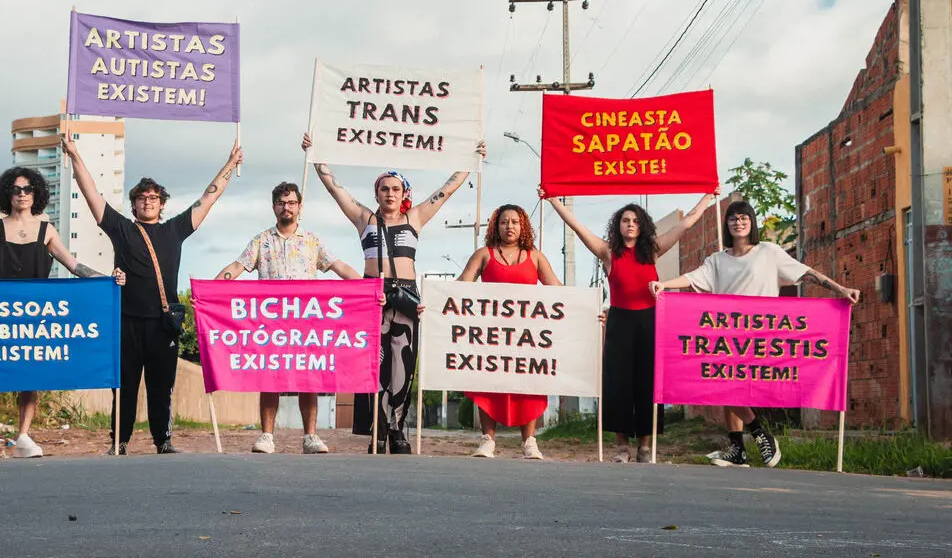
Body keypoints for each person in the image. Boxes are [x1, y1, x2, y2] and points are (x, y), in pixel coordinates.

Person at [0, 167, 124, 460]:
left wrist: (108, 279)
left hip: (36, 315)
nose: (21, 194)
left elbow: (73, 265)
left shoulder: (47, 229)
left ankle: (24, 437)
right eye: (16, 189)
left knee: (32, 373)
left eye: (27, 189)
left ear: (36, 194)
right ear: (7, 193)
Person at [303, 132, 485, 455]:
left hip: (406, 297)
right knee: (374, 365)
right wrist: (315, 155)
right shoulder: (365, 219)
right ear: (376, 192)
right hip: (372, 294)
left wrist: (471, 160)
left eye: (395, 189)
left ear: (404, 194)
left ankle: (398, 428)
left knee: (403, 364)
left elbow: (445, 192)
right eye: (384, 189)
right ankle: (377, 429)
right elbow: (335, 189)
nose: (389, 194)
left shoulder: (414, 218)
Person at [66, 137, 242, 456]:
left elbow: (207, 200)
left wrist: (230, 165)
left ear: (162, 204)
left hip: (163, 324)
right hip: (126, 321)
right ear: (133, 205)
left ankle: (163, 441)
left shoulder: (174, 230)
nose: (148, 201)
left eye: (154, 197)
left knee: (162, 388)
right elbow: (91, 193)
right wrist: (75, 155)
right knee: (124, 388)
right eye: (142, 197)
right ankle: (119, 442)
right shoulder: (121, 229)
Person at [651, 199, 860, 468]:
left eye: (744, 217)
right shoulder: (717, 260)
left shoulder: (769, 252)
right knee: (721, 384)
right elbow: (693, 278)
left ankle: (757, 434)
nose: (738, 222)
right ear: (726, 225)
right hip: (726, 335)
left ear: (752, 222)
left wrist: (840, 289)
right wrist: (663, 285)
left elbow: (805, 273)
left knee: (728, 387)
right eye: (733, 218)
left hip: (761, 335)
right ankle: (742, 446)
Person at [545, 188, 714, 463]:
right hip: (619, 322)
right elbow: (577, 227)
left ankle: (645, 446)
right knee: (618, 385)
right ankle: (622, 446)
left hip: (649, 322)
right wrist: (553, 201)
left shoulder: (654, 251)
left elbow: (686, 224)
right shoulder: (608, 253)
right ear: (618, 225)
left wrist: (709, 197)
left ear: (642, 225)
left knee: (647, 383)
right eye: (625, 220)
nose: (630, 224)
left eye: (635, 221)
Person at [213, 181, 366, 455]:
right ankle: (267, 436)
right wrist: (211, 290)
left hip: (306, 325)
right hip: (271, 324)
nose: (287, 207)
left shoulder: (312, 241)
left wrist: (368, 288)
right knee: (269, 378)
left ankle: (310, 436)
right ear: (274, 207)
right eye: (282, 203)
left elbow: (338, 266)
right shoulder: (262, 241)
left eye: (292, 202)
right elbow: (238, 266)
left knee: (309, 378)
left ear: (300, 207)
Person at [456, 203, 560, 460]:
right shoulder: (484, 254)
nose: (509, 226)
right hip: (491, 334)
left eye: (514, 221)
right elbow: (460, 286)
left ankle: (530, 443)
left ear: (522, 225)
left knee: (529, 385)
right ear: (496, 226)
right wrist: (435, 301)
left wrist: (588, 307)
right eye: (504, 222)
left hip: (528, 337)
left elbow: (558, 289)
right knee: (488, 384)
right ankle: (487, 441)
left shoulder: (535, 256)